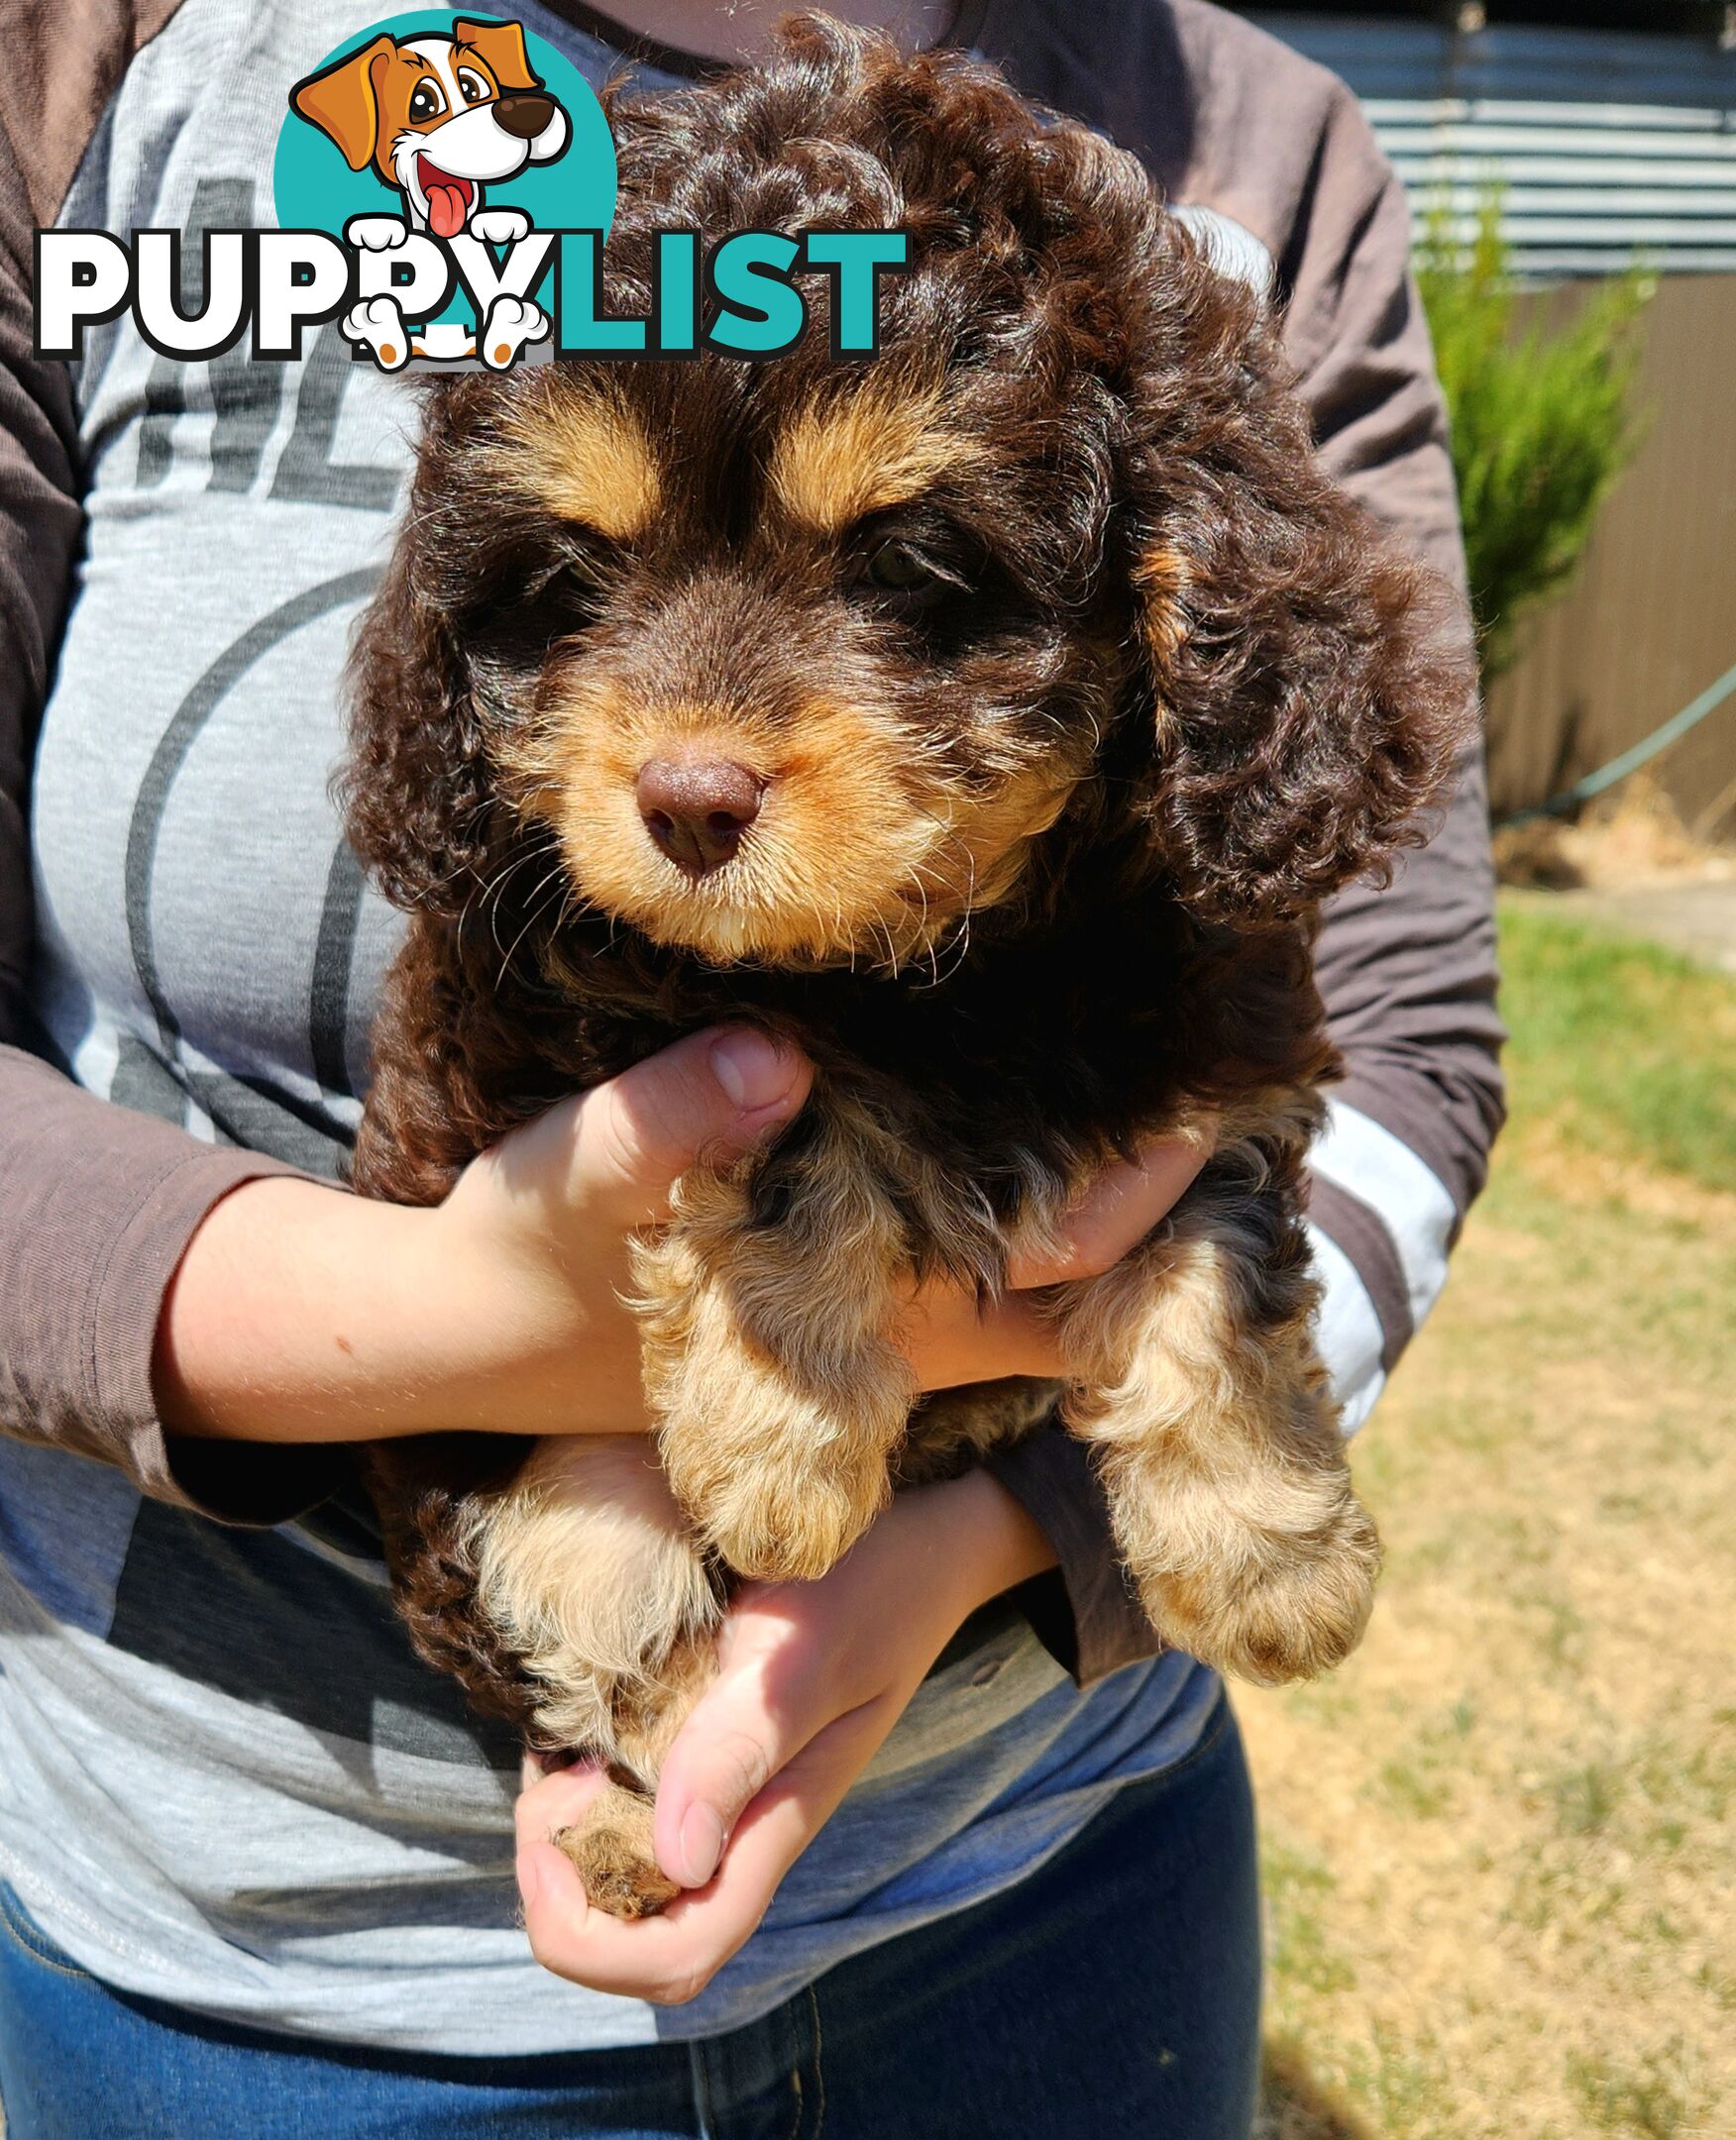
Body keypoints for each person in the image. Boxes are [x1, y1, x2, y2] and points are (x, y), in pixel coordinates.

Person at [0, 0, 1503, 2132]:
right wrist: (462, 1339)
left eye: (905, 570)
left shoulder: (1262, 149)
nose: (696, 741)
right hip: (246, 1951)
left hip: (1045, 1877)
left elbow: (1406, 1037)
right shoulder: (98, 62)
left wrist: (1005, 1525)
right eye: (583, 573)